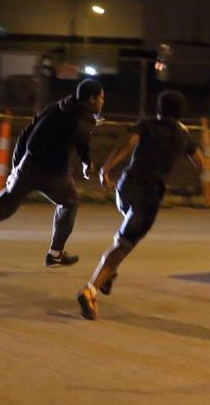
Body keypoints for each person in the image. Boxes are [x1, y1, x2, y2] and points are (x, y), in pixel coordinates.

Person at [0, 78, 104, 273]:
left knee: (4, 205)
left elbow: (26, 133)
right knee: (70, 202)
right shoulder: (81, 118)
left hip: (28, 166)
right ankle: (55, 253)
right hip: (54, 174)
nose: (102, 102)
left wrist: (17, 167)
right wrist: (87, 162)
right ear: (91, 99)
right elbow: (82, 142)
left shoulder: (55, 107)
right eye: (101, 98)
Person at [74, 90, 202, 320]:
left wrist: (106, 169)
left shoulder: (146, 124)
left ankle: (109, 273)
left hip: (126, 187)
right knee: (123, 244)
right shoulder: (183, 134)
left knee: (125, 233)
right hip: (148, 195)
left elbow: (128, 144)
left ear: (159, 108)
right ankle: (90, 289)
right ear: (182, 113)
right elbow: (200, 163)